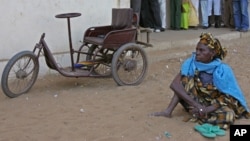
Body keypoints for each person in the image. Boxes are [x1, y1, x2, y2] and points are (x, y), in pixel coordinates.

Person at [151, 32, 250, 129]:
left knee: (229, 116)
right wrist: (197, 105)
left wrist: (206, 109)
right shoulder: (190, 63)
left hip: (213, 105)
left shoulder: (223, 70)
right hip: (196, 102)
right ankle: (168, 111)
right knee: (184, 80)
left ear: (212, 53)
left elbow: (227, 97)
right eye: (197, 49)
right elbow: (174, 85)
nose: (197, 53)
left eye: (202, 50)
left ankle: (199, 114)